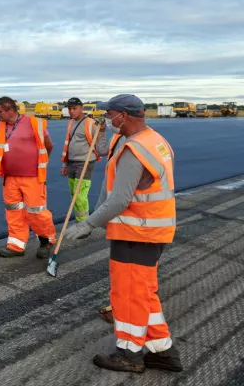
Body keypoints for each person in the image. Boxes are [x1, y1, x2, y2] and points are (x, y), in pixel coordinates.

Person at [63, 94, 182, 374]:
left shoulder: (135, 150)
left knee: (128, 295)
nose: (106, 118)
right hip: (152, 230)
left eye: (109, 114)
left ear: (124, 116)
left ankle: (129, 353)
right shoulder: (154, 140)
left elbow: (120, 200)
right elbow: (108, 154)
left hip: (136, 233)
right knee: (144, 294)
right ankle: (162, 351)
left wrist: (87, 224)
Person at [0, 96, 56, 258]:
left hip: (31, 177)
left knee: (36, 212)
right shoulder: (0, 126)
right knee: (14, 212)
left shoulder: (34, 123)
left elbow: (49, 145)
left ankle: (46, 241)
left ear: (10, 110)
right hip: (9, 178)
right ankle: (16, 245)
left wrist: (38, 163)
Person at [60, 97, 108, 222]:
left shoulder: (90, 123)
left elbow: (99, 140)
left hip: (85, 162)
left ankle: (82, 223)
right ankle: (79, 218)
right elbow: (67, 144)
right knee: (73, 193)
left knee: (79, 194)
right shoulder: (71, 123)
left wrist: (102, 127)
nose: (71, 111)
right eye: (69, 109)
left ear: (81, 108)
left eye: (74, 109)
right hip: (71, 162)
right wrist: (65, 164)